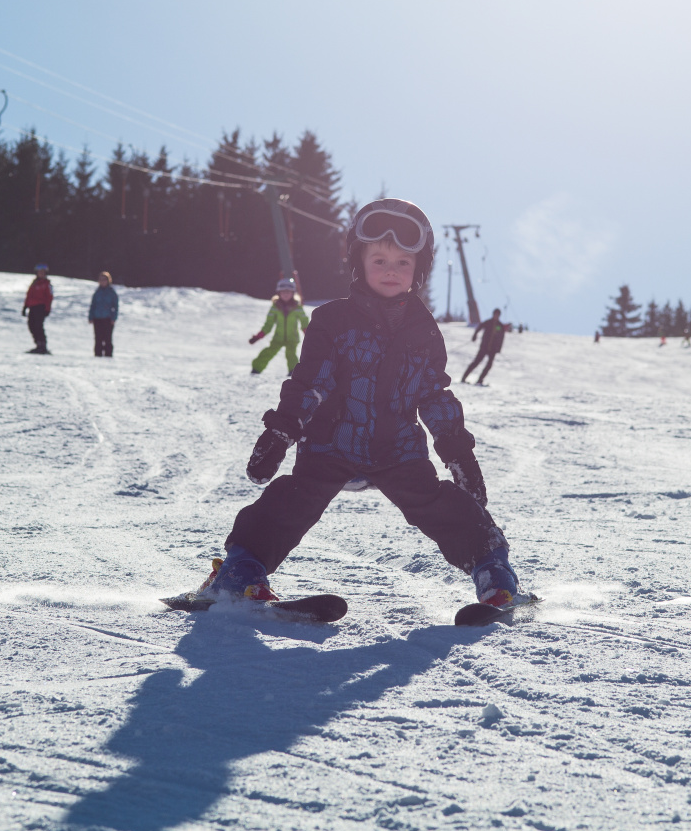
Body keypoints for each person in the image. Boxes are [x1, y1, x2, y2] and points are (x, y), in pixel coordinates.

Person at [191, 198, 527, 612]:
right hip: (332, 442)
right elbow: (310, 382)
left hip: (398, 450)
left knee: (444, 507)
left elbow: (434, 394)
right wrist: (281, 432)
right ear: (358, 262)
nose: (391, 270)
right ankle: (239, 573)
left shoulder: (424, 332)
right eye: (380, 259)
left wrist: (458, 453)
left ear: (417, 271)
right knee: (293, 501)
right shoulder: (333, 320)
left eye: (404, 262)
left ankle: (494, 574)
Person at [249, 277, 308, 374]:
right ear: (279, 293)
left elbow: (304, 322)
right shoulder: (275, 308)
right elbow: (268, 324)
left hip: (292, 338)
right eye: (283, 292)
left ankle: (293, 372)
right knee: (268, 352)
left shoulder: (297, 308)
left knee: (291, 354)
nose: (285, 294)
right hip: (278, 338)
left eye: (288, 292)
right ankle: (256, 369)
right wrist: (258, 336)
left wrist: (308, 334)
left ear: (293, 293)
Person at [461, 307, 509, 384]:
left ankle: (480, 380)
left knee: (489, 365)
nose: (496, 316)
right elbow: (479, 327)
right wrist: (475, 335)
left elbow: (501, 337)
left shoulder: (499, 326)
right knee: (476, 362)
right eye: (495, 314)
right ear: (493, 314)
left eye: (497, 315)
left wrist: (499, 348)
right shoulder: (488, 322)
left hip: (493, 349)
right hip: (484, 347)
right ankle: (463, 377)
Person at [21, 264, 53, 354]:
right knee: (31, 325)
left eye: (43, 272)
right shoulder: (34, 284)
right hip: (32, 307)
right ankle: (38, 344)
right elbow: (29, 295)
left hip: (41, 307)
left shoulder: (46, 284)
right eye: (39, 272)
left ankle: (43, 345)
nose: (41, 274)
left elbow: (49, 297)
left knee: (38, 326)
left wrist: (47, 309)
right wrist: (25, 306)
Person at [90, 272, 118, 357]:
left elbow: (115, 306)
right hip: (97, 318)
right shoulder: (97, 292)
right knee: (98, 338)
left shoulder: (111, 292)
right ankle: (97, 354)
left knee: (107, 338)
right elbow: (93, 305)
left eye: (104, 280)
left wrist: (114, 318)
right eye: (101, 280)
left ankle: (108, 355)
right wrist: (91, 316)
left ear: (108, 280)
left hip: (108, 318)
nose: (102, 281)